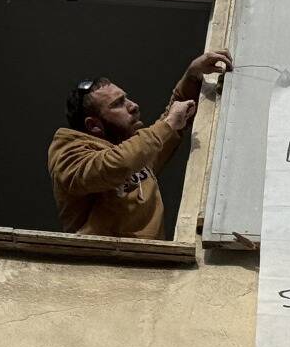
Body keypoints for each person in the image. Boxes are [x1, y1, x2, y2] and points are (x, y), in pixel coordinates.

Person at [48, 50, 232, 238]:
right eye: (118, 104)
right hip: (102, 264)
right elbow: (116, 164)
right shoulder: (68, 153)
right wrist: (167, 124)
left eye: (126, 98)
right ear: (94, 125)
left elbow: (167, 129)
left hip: (147, 262)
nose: (133, 105)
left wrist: (192, 76)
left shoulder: (138, 152)